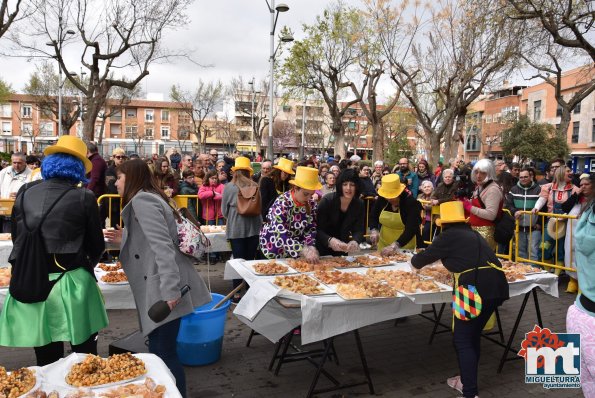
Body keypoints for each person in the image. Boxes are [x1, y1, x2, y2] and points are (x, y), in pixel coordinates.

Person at [104, 159, 210, 397]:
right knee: (162, 351)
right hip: (159, 283)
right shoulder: (150, 196)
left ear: (130, 178)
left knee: (164, 354)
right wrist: (126, 239)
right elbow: (155, 240)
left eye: (119, 178)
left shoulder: (142, 200)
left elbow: (163, 247)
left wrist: (171, 294)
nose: (116, 184)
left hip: (162, 287)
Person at [0, 136, 107, 366]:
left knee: (47, 359)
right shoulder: (84, 196)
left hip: (33, 280)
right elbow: (96, 245)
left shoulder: (25, 191)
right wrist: (87, 264)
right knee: (86, 356)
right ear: (78, 167)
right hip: (73, 282)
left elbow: (19, 237)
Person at [411, 201, 509, 398]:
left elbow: (418, 261)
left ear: (444, 223)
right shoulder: (472, 234)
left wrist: (412, 261)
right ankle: (465, 380)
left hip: (473, 288)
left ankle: (470, 393)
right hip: (497, 285)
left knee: (463, 340)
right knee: (472, 336)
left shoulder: (448, 236)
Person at [565, 173, 595, 397]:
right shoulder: (588, 209)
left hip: (587, 311)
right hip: (585, 307)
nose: (583, 187)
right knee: (586, 377)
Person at [259, 166, 321, 261]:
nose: (309, 198)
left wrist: (310, 246)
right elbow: (280, 233)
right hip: (274, 249)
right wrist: (302, 250)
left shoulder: (311, 204)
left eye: (311, 194)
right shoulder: (282, 202)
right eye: (305, 194)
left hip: (295, 253)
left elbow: (311, 228)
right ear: (295, 188)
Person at [222, 157, 263, 297]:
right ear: (248, 172)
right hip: (254, 228)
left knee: (238, 261)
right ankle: (251, 291)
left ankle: (238, 293)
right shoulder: (255, 186)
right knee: (250, 261)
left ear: (235, 171)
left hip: (236, 228)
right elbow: (260, 207)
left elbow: (223, 211)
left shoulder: (229, 187)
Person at [316, 169, 365, 256]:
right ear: (340, 185)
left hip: (343, 249)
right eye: (345, 184)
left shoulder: (359, 204)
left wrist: (355, 241)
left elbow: (359, 229)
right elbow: (317, 228)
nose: (348, 188)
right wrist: (329, 240)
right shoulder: (327, 201)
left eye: (352, 185)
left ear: (357, 186)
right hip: (322, 248)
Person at [369, 174, 422, 252]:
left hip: (405, 244)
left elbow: (411, 228)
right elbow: (373, 216)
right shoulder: (382, 199)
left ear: (400, 193)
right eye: (388, 197)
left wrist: (396, 245)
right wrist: (374, 230)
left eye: (393, 196)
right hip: (384, 243)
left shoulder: (411, 203)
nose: (390, 199)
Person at [461, 159, 503, 250]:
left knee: (482, 262)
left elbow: (491, 215)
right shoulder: (481, 187)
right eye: (476, 172)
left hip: (486, 233)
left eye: (482, 173)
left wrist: (469, 207)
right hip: (475, 231)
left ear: (489, 173)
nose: (478, 176)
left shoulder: (493, 190)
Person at [562, 173, 592, 293]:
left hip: (586, 235)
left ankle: (583, 285)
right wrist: (576, 194)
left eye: (587, 184)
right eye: (581, 184)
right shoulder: (576, 197)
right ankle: (572, 280)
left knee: (584, 258)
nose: (583, 186)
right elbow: (564, 207)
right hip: (572, 234)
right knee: (570, 254)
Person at [505, 168, 541, 262]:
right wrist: (514, 211)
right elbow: (509, 204)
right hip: (519, 227)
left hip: (534, 227)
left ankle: (534, 275)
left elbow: (544, 207)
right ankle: (524, 274)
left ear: (530, 177)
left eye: (526, 177)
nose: (523, 179)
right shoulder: (513, 189)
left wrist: (540, 222)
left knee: (534, 253)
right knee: (521, 253)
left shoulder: (538, 189)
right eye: (521, 177)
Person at [104, 148, 127, 228]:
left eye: (123, 157)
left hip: (125, 204)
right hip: (114, 205)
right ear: (113, 158)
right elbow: (111, 186)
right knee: (116, 228)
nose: (121, 159)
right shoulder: (109, 171)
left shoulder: (128, 169)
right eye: (118, 157)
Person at [418, 180, 435, 247]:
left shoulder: (435, 195)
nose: (427, 188)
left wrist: (423, 206)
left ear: (432, 188)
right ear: (422, 189)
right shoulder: (420, 195)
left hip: (431, 219)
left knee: (425, 231)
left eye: (428, 186)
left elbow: (433, 206)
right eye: (425, 187)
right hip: (421, 218)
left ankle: (424, 247)